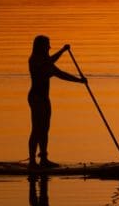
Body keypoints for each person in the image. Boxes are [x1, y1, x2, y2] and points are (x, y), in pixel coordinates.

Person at [28, 35, 86, 167]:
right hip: (36, 98)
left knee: (45, 128)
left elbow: (56, 67)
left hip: (44, 98)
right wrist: (79, 80)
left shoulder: (45, 61)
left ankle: (43, 159)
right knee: (37, 129)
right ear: (40, 47)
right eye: (47, 45)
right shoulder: (36, 60)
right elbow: (57, 70)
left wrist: (63, 51)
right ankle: (32, 161)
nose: (49, 47)